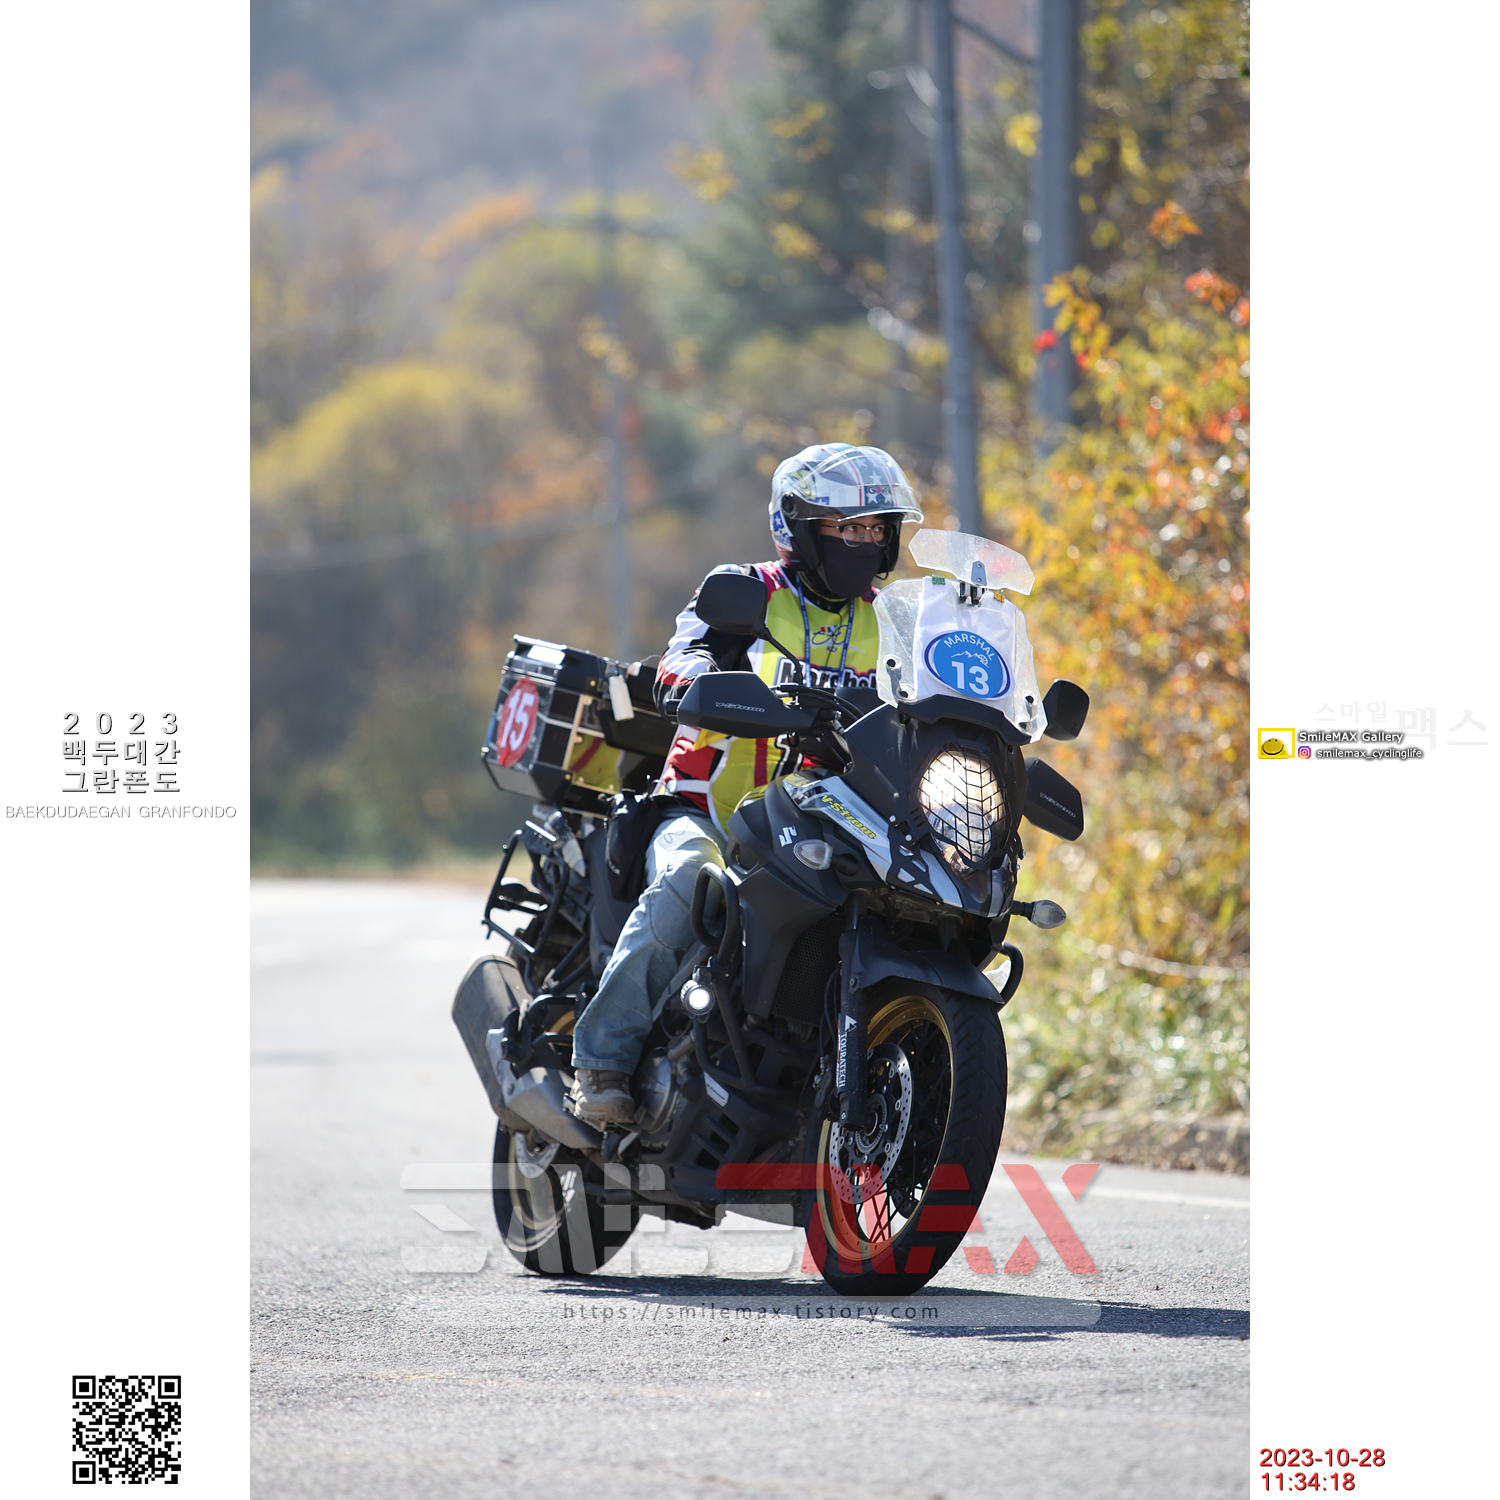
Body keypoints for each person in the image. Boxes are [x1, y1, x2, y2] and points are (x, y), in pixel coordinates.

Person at [568, 443, 923, 1125]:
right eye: (848, 527)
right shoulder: (746, 591)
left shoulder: (898, 623)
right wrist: (697, 679)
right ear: (800, 528)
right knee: (689, 882)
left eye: (876, 529)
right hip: (706, 809)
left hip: (822, 825)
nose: (865, 542)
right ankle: (602, 1057)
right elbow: (684, 656)